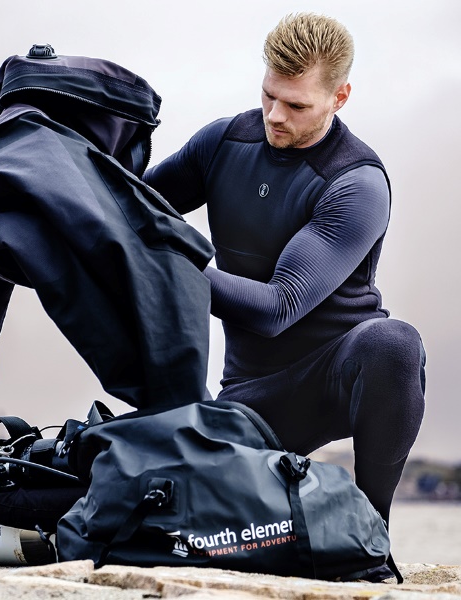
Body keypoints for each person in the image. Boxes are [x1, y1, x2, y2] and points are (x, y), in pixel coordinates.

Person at [144, 12, 426, 563]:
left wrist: (172, 259)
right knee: (175, 510)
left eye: (297, 106)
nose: (275, 115)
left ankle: (369, 533)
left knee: (394, 343)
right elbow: (135, 210)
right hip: (252, 392)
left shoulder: (357, 182)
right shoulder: (223, 142)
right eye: (269, 95)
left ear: (339, 97)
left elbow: (278, 307)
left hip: (338, 370)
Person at [0, 47, 215, 412]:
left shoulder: (6, 148)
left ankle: (178, 412)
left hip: (2, 199)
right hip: (179, 394)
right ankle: (180, 415)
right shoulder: (62, 174)